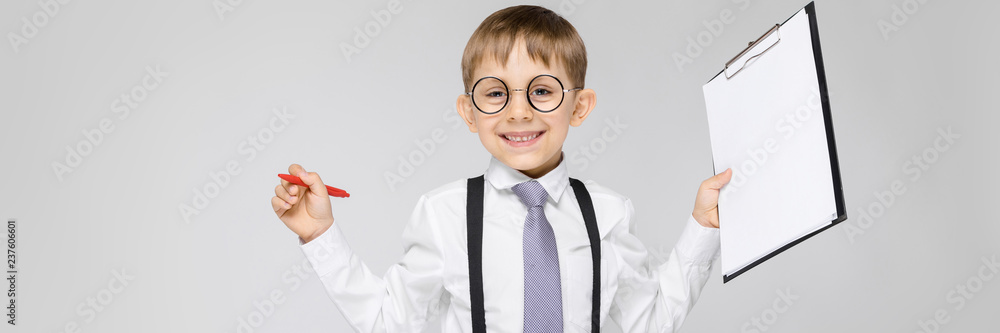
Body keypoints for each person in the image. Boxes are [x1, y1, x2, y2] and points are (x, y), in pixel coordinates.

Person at [270, 5, 732, 332]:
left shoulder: (608, 212)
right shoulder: (444, 213)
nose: (518, 112)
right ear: (469, 112)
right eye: (495, 93)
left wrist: (703, 228)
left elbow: (649, 322)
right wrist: (321, 237)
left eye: (542, 91)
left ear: (581, 106)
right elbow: (390, 321)